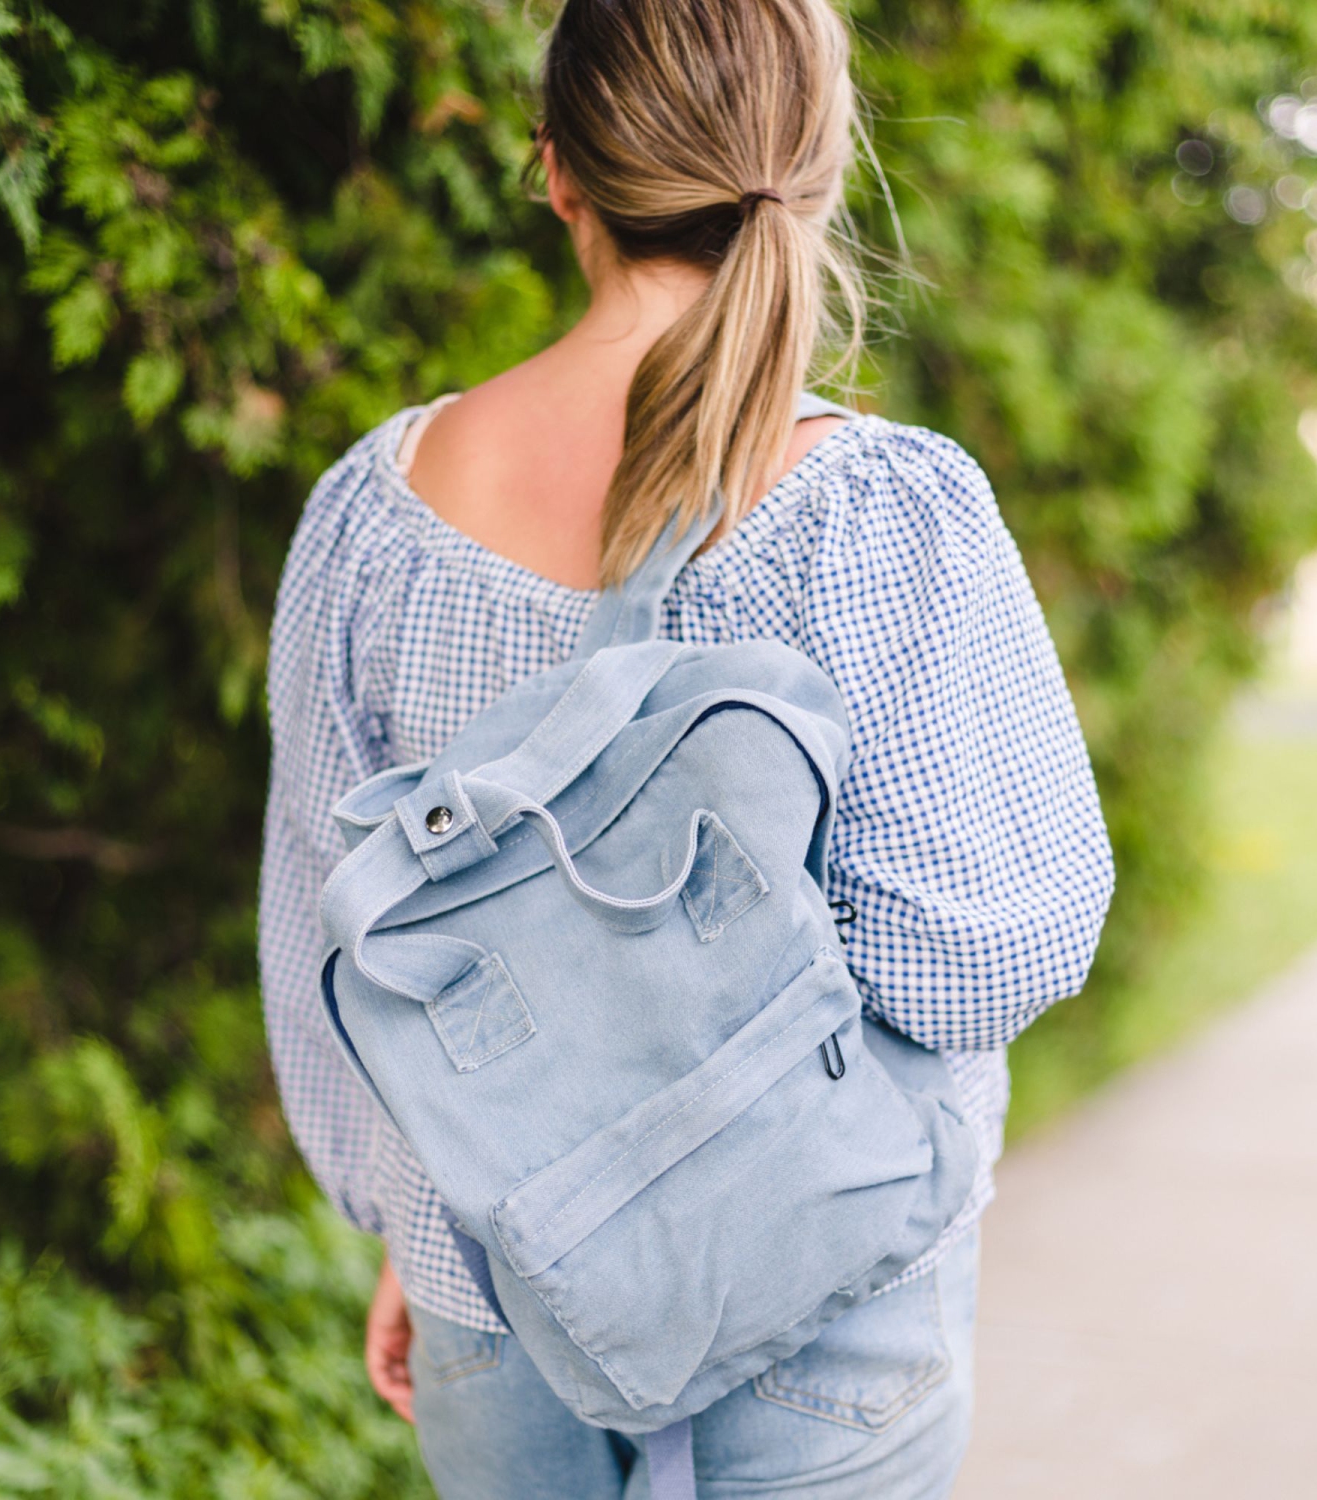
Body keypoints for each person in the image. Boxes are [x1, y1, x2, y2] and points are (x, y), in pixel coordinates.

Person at [258, 0, 1115, 1495]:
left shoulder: (374, 517)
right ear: (820, 164)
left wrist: (417, 1205)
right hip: (825, 1296)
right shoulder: (873, 511)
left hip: (502, 1281)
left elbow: (326, 936)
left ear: (556, 173)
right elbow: (989, 953)